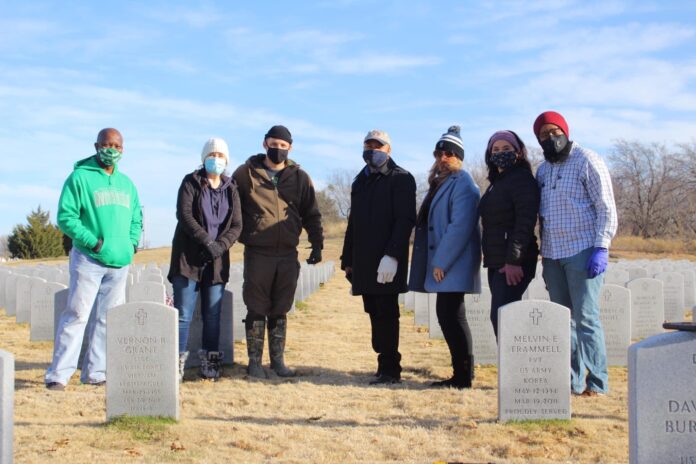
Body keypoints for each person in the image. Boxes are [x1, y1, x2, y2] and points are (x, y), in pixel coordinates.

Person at [45, 128, 142, 390]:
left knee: (107, 320)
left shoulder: (127, 184)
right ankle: (59, 375)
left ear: (123, 150)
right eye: (106, 145)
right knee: (76, 314)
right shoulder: (79, 178)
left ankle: (96, 372)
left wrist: (131, 244)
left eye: (117, 146)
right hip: (89, 259)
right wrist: (93, 242)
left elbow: (136, 218)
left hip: (119, 262)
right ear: (96, 146)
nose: (111, 150)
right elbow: (67, 217)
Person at [533, 110, 617, 397]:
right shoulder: (543, 170)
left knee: (586, 319)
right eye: (543, 135)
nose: (550, 138)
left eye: (555, 131)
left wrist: (601, 247)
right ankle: (572, 380)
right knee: (563, 320)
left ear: (566, 131)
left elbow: (606, 207)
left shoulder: (587, 160)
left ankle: (598, 383)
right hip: (553, 253)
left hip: (583, 250)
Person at [233, 125, 323, 379]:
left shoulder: (300, 177)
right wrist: (240, 236)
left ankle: (278, 361)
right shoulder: (245, 173)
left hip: (286, 252)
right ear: (265, 144)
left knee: (281, 307)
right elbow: (232, 207)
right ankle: (253, 362)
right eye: (274, 144)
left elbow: (311, 213)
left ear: (290, 148)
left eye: (283, 146)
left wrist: (317, 243)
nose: (278, 149)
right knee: (256, 305)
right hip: (258, 251)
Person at [341, 129, 416, 385]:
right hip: (364, 259)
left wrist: (393, 255)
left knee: (387, 312)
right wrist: (347, 260)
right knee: (373, 310)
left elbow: (405, 219)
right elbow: (354, 223)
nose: (373, 150)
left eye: (378, 146)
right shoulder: (359, 181)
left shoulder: (402, 178)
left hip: (386, 259)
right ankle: (382, 362)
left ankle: (391, 368)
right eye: (369, 145)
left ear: (388, 150)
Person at [409, 126, 481, 389]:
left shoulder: (462, 182)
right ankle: (463, 374)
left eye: (449, 153)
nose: (443, 157)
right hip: (446, 261)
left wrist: (441, 261)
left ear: (458, 157)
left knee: (451, 316)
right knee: (450, 315)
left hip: (453, 262)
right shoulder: (441, 182)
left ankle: (463, 377)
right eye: (439, 152)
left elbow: (460, 226)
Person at [168, 137, 242, 381]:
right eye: (212, 155)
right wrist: (206, 240)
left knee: (213, 314)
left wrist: (220, 246)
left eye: (221, 156)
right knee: (183, 314)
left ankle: (210, 362)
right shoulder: (191, 182)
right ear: (204, 158)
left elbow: (237, 225)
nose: (216, 160)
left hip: (217, 261)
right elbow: (184, 214)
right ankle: (176, 363)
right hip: (189, 258)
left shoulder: (231, 188)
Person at [478, 130, 540, 340]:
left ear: (518, 152)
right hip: (497, 261)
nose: (500, 153)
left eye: (506, 149)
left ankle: (518, 369)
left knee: (504, 319)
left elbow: (524, 222)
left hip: (513, 262)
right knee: (500, 318)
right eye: (495, 149)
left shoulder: (522, 179)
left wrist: (514, 261)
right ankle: (510, 370)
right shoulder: (498, 182)